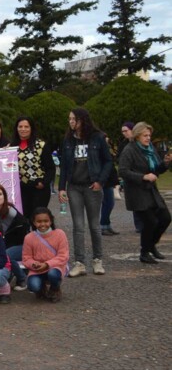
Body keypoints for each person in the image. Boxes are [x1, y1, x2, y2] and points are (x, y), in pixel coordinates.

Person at [58, 108, 113, 277]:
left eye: (74, 119)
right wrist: (61, 188)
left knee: (95, 225)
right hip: (74, 187)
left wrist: (100, 181)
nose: (71, 122)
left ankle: (97, 260)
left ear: (83, 120)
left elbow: (108, 161)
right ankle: (80, 262)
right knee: (78, 226)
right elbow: (64, 166)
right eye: (69, 119)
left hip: (92, 186)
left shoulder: (97, 138)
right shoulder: (68, 140)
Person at [118, 122, 172, 264]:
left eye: (149, 135)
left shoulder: (150, 148)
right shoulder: (130, 150)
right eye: (145, 135)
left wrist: (165, 163)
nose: (148, 138)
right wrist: (143, 176)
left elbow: (156, 170)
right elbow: (122, 171)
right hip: (137, 191)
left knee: (166, 218)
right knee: (150, 221)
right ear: (137, 136)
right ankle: (144, 252)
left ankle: (150, 246)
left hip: (151, 190)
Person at [0, 182, 29, 290]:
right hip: (2, 246)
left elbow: (23, 235)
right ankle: (5, 276)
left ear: (4, 197)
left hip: (21, 246)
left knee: (4, 255)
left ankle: (21, 278)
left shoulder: (12, 213)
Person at [21, 207, 69, 302]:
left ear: (51, 221)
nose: (43, 224)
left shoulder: (60, 234)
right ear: (34, 223)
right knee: (33, 286)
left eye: (46, 221)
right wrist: (34, 264)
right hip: (37, 269)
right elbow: (26, 258)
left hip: (55, 267)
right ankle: (41, 287)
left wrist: (47, 264)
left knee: (53, 274)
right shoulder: (29, 237)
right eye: (39, 221)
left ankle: (55, 288)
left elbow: (63, 256)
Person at [12, 116, 55, 217]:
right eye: (20, 126)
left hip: (38, 189)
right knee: (23, 219)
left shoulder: (41, 145)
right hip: (21, 190)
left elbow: (50, 168)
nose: (23, 129)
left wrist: (44, 183)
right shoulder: (11, 147)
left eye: (26, 126)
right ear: (16, 128)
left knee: (38, 218)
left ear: (31, 128)